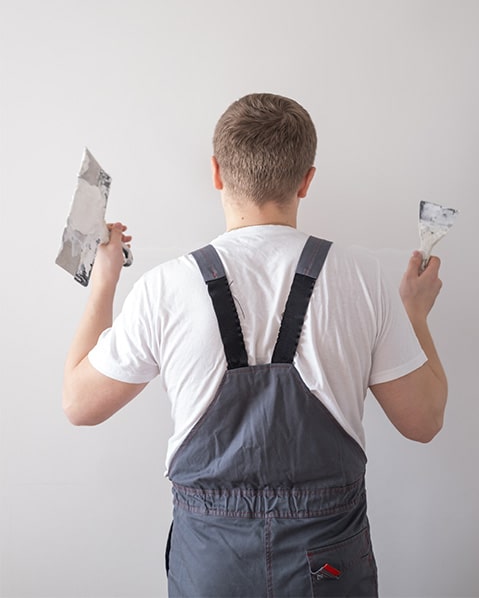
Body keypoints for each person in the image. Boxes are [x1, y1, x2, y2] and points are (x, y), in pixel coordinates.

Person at [63, 93, 447, 598]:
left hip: (212, 564)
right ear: (307, 180)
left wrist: (104, 281)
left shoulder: (166, 288)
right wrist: (416, 316)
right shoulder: (363, 280)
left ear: (217, 172)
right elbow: (424, 422)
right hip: (326, 565)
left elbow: (78, 405)